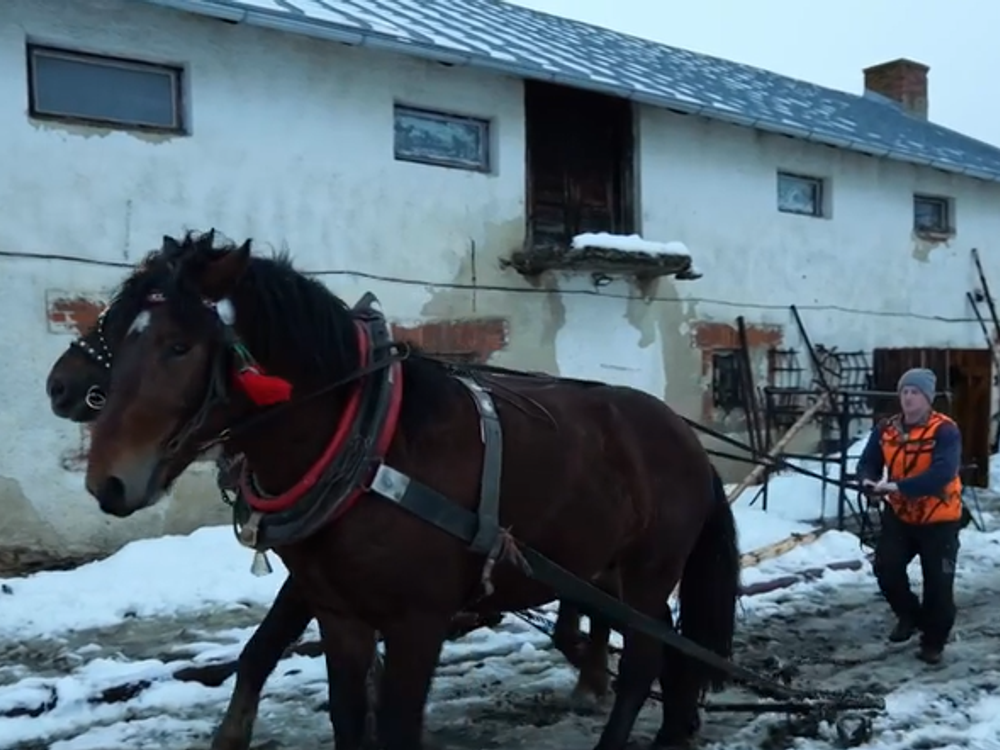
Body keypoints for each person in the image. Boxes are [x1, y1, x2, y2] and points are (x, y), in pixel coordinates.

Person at [855, 367, 963, 665]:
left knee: (938, 585)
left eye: (915, 392)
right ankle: (909, 615)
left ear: (928, 398)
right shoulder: (886, 429)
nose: (908, 398)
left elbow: (943, 472)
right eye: (905, 391)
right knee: (886, 568)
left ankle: (933, 642)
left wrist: (899, 486)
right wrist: (868, 482)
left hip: (939, 520)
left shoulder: (945, 430)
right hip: (900, 517)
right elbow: (867, 463)